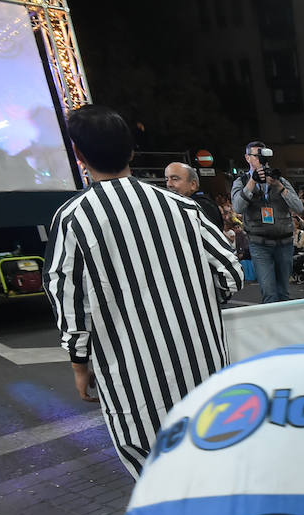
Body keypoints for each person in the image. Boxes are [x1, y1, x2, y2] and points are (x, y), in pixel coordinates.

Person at [44, 106, 242, 476]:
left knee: (157, 471)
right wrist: (194, 303)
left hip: (134, 383)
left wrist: (79, 360)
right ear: (132, 152)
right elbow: (230, 273)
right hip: (203, 367)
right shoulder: (183, 208)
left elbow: (66, 293)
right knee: (215, 461)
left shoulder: (74, 218)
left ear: (79, 155)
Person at [231, 140, 304, 302]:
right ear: (247, 158)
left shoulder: (280, 180)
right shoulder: (241, 182)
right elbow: (237, 207)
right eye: (256, 156)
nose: (259, 159)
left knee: (284, 292)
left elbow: (299, 208)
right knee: (269, 292)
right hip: (260, 244)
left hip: (284, 242)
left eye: (262, 156)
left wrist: (279, 186)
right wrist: (253, 181)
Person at [164, 162, 224, 231]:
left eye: (175, 179)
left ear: (193, 184)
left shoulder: (203, 206)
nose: (169, 184)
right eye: (167, 180)